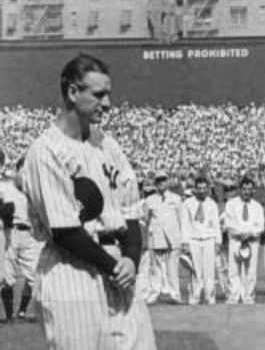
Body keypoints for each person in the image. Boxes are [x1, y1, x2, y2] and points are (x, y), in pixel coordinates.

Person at [21, 54, 156, 349]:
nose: (107, 103)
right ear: (72, 92)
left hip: (119, 265)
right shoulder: (46, 151)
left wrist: (131, 259)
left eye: (108, 94)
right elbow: (64, 230)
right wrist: (114, 266)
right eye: (98, 94)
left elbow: (131, 210)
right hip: (73, 271)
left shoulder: (107, 144)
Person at [0, 156, 44, 323]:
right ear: (18, 169)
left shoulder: (34, 189)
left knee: (35, 275)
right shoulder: (5, 185)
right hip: (10, 232)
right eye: (24, 169)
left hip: (30, 234)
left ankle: (23, 311)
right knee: (7, 276)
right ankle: (10, 315)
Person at [144, 170, 184, 304]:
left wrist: (182, 240)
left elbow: (181, 220)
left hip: (173, 237)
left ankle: (175, 295)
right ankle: (154, 293)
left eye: (163, 180)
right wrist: (147, 237)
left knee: (172, 268)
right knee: (155, 268)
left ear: (168, 182)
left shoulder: (176, 199)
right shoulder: (149, 200)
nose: (161, 183)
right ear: (155, 183)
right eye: (158, 181)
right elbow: (146, 220)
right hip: (156, 237)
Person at [182, 175, 221, 305]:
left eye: (204, 188)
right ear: (195, 189)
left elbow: (216, 224)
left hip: (209, 239)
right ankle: (195, 297)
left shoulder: (212, 204)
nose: (202, 191)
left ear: (208, 189)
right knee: (195, 271)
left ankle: (210, 297)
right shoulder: (188, 203)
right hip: (193, 239)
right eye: (199, 188)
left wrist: (218, 241)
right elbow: (185, 224)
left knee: (209, 271)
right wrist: (185, 242)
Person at [225, 176, 264, 304]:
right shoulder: (231, 204)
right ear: (240, 189)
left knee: (251, 270)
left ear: (253, 191)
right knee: (233, 269)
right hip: (236, 240)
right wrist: (241, 234)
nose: (247, 192)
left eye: (250, 189)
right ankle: (234, 296)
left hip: (252, 241)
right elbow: (229, 223)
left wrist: (250, 234)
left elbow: (261, 226)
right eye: (244, 189)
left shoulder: (257, 206)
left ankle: (248, 296)